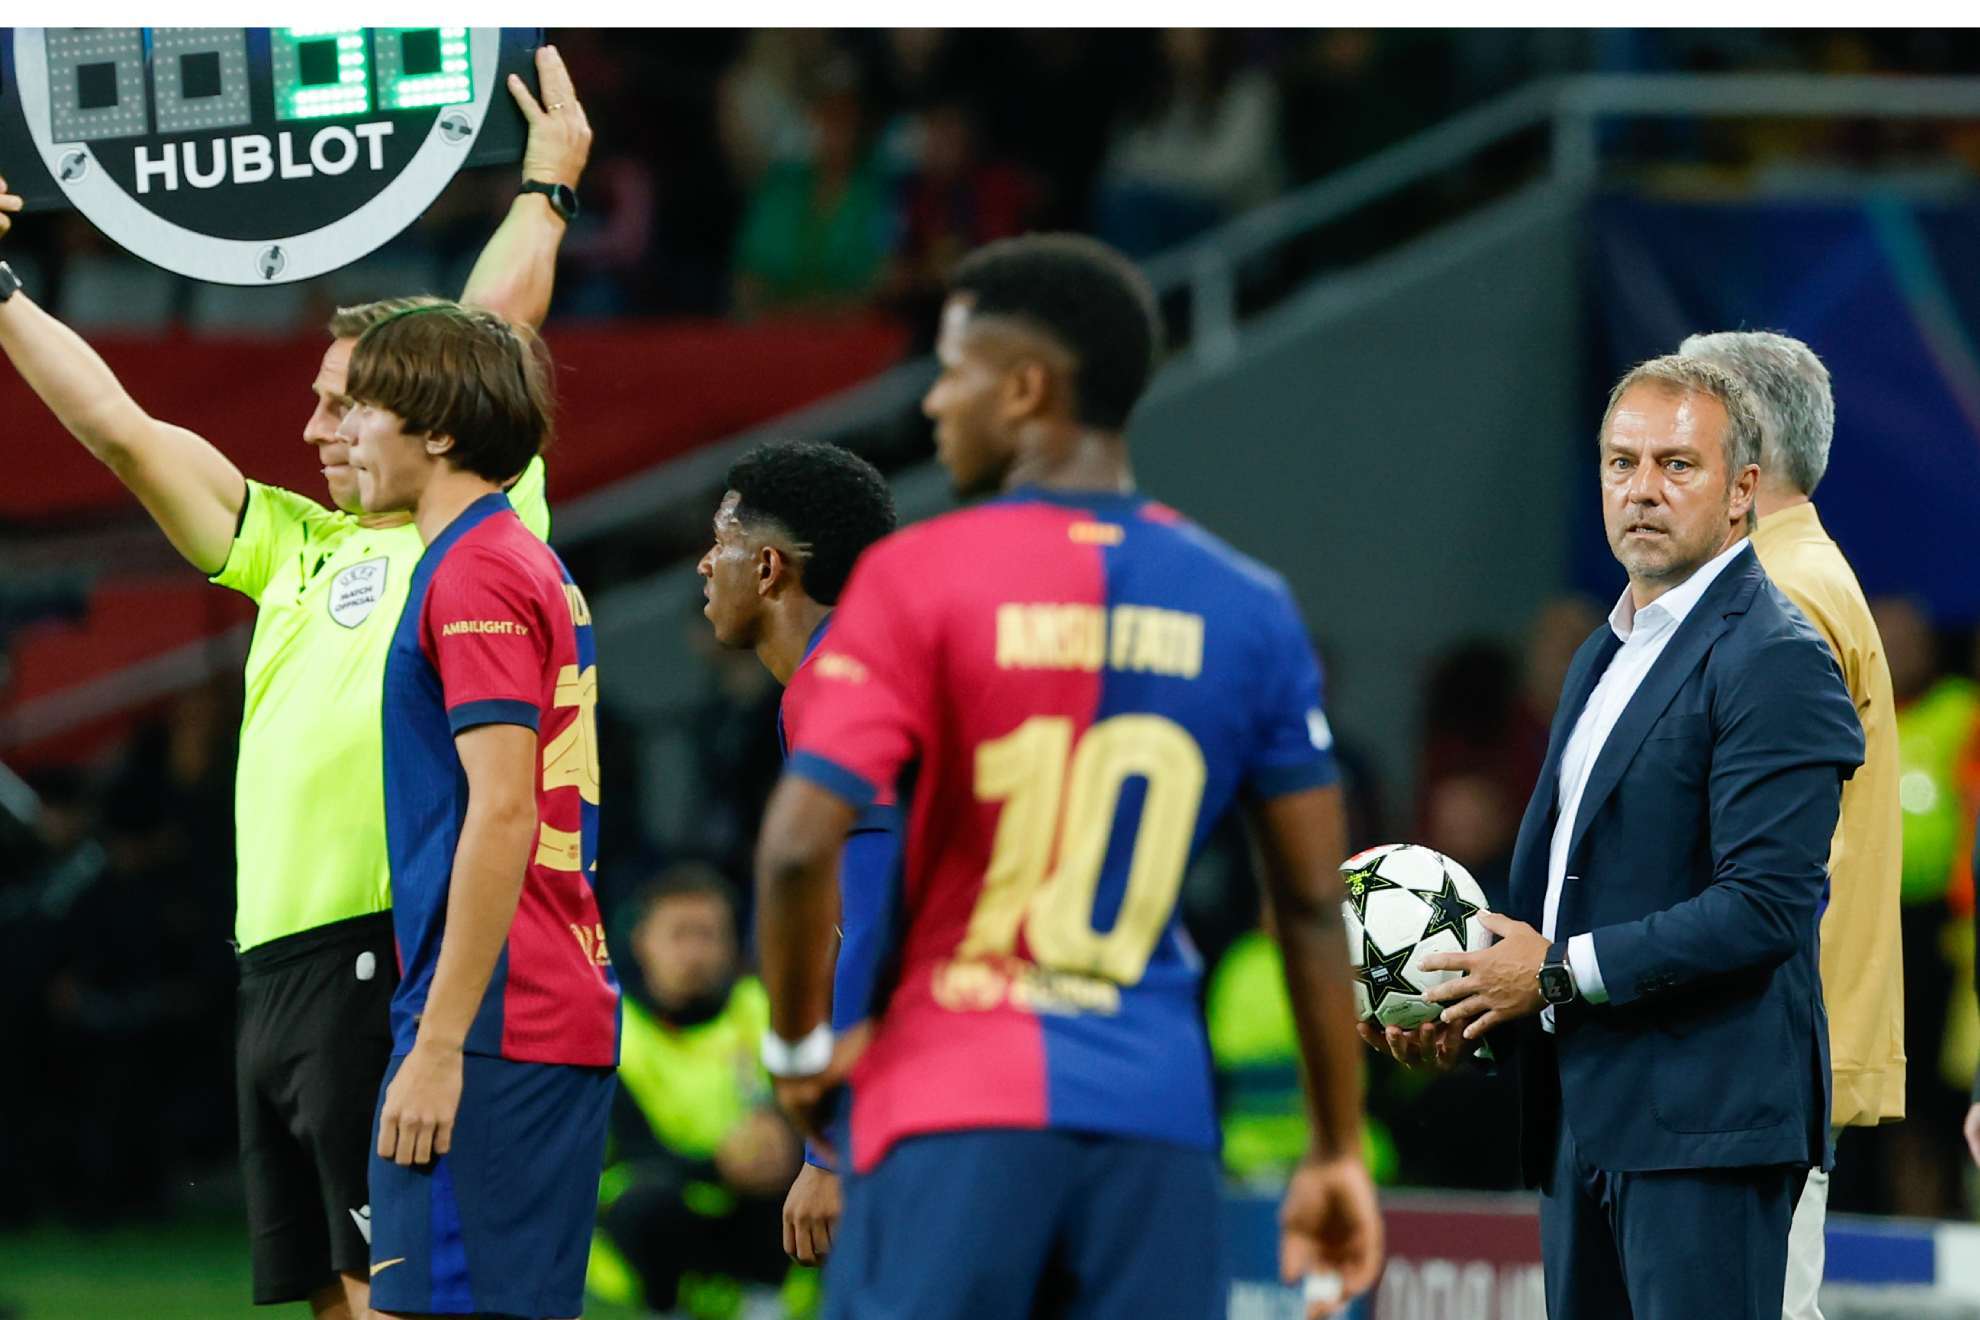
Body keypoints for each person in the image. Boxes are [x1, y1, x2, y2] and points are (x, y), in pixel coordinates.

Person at [0, 49, 592, 1319]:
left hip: (390, 950)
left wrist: (545, 188)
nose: (317, 428)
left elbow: (496, 324)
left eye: (346, 407)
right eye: (320, 405)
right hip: (272, 963)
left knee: (399, 1296)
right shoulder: (290, 545)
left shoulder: (479, 531)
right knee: (336, 1296)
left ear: (425, 420)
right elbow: (118, 425)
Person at [751, 233, 1383, 1320]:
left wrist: (802, 1053)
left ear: (1027, 387)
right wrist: (1336, 1148)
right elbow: (1315, 904)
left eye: (954, 371)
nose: (935, 403)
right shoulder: (1248, 605)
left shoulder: (914, 582)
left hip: (948, 1102)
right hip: (1155, 1117)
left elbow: (802, 844)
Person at [1381, 355, 1862, 1319]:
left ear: (1742, 493)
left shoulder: (1775, 657)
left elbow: (1763, 908)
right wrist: (1469, 1000)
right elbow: (1577, 890)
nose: (1642, 488)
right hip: (1587, 1122)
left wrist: (1552, 973)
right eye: (1620, 462)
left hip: (1706, 1132)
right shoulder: (1603, 651)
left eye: (1678, 465)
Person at [338, 300, 618, 1320]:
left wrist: (441, 1043)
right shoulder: (508, 558)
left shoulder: (477, 571)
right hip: (526, 1000)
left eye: (366, 404)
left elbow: (502, 811)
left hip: (501, 1015)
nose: (345, 430)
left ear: (439, 428)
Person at [1679, 330, 1905, 1320]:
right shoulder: (1784, 584)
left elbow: (1745, 862)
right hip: (1756, 1047)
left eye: (1681, 447)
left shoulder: (1781, 601)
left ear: (1744, 457)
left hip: (1753, 1053)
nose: (1652, 478)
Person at [695, 438, 900, 1269]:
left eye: (722, 541)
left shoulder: (842, 683)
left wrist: (828, 1148)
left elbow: (876, 914)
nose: (706, 565)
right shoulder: (864, 665)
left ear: (770, 567)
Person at [591, 866, 802, 1316]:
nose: (696, 952)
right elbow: (631, 1147)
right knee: (645, 1199)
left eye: (709, 935)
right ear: (642, 941)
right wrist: (720, 1165)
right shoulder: (614, 1029)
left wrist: (784, 1138)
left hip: (755, 1205)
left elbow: (810, 1105)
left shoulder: (761, 1007)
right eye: (680, 934)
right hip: (662, 1199)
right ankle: (662, 1308)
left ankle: (766, 1302)